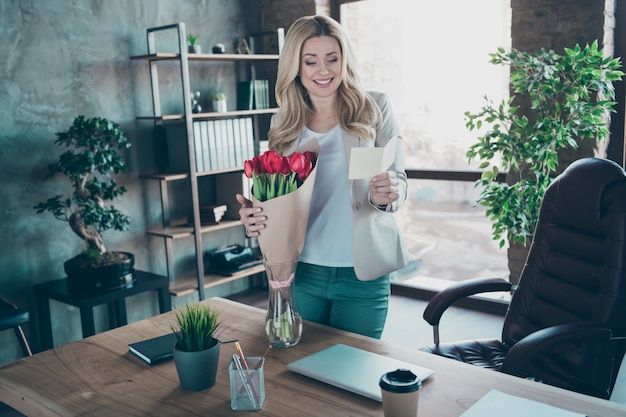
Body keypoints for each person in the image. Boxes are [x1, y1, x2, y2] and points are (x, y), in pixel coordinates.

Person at [236, 15, 409, 339]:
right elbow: (276, 197)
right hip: (304, 271)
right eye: (311, 61)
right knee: (298, 371)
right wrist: (255, 215)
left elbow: (398, 178)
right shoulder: (283, 123)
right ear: (296, 67)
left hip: (363, 274)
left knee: (356, 376)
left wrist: (390, 192)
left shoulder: (375, 108)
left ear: (345, 60)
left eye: (332, 59)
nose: (324, 70)